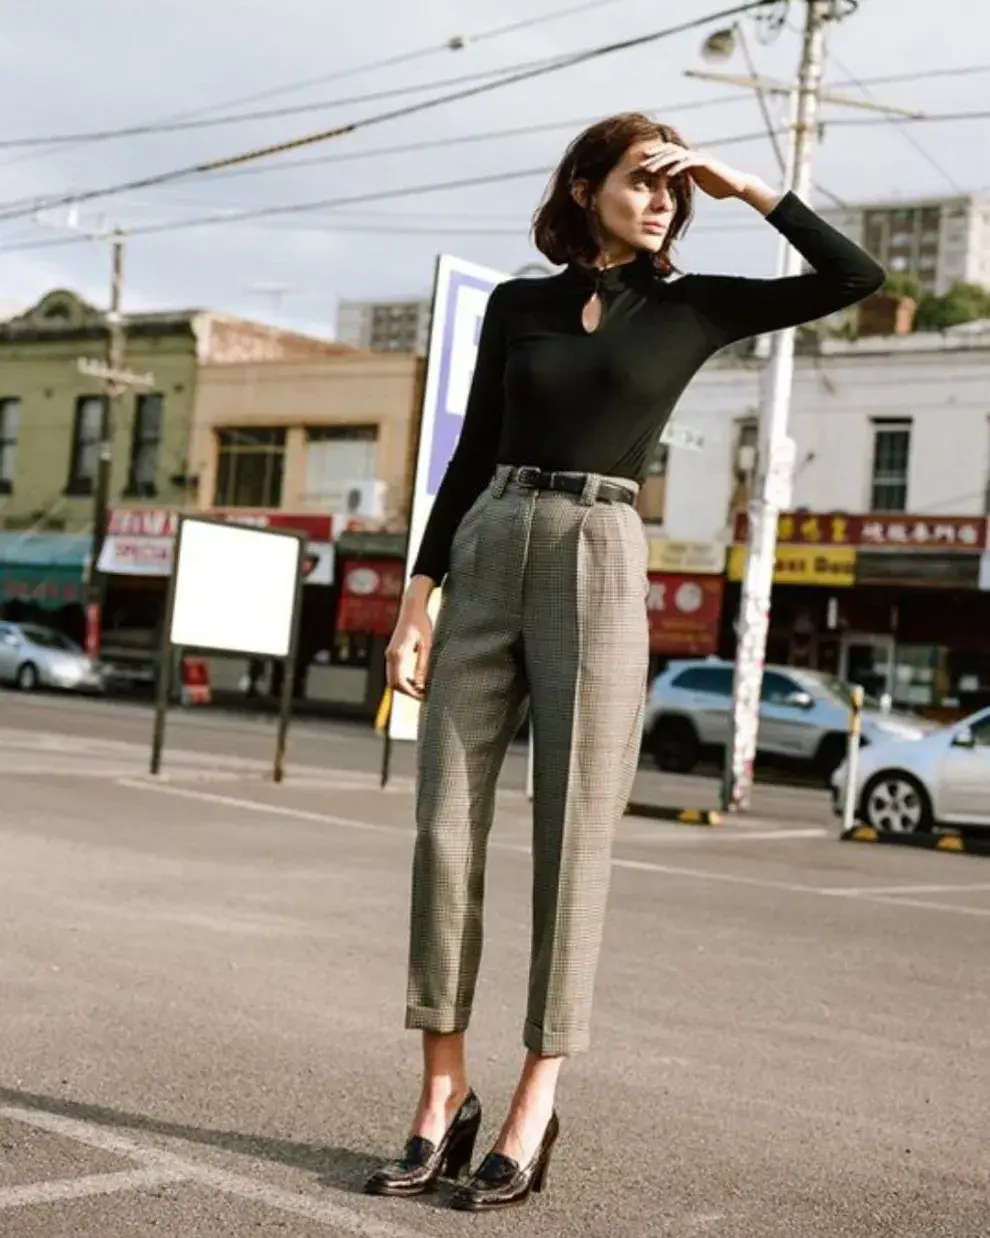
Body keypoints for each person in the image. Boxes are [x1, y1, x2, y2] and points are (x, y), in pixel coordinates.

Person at [365, 112, 883, 1212]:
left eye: (673, 189)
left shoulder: (695, 303)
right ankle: (439, 1092)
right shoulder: (520, 304)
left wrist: (743, 185)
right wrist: (417, 602)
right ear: (587, 183)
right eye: (644, 179)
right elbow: (465, 456)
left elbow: (855, 275)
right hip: (490, 537)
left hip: (601, 552)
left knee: (573, 833)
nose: (660, 199)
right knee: (443, 826)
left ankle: (533, 1103)